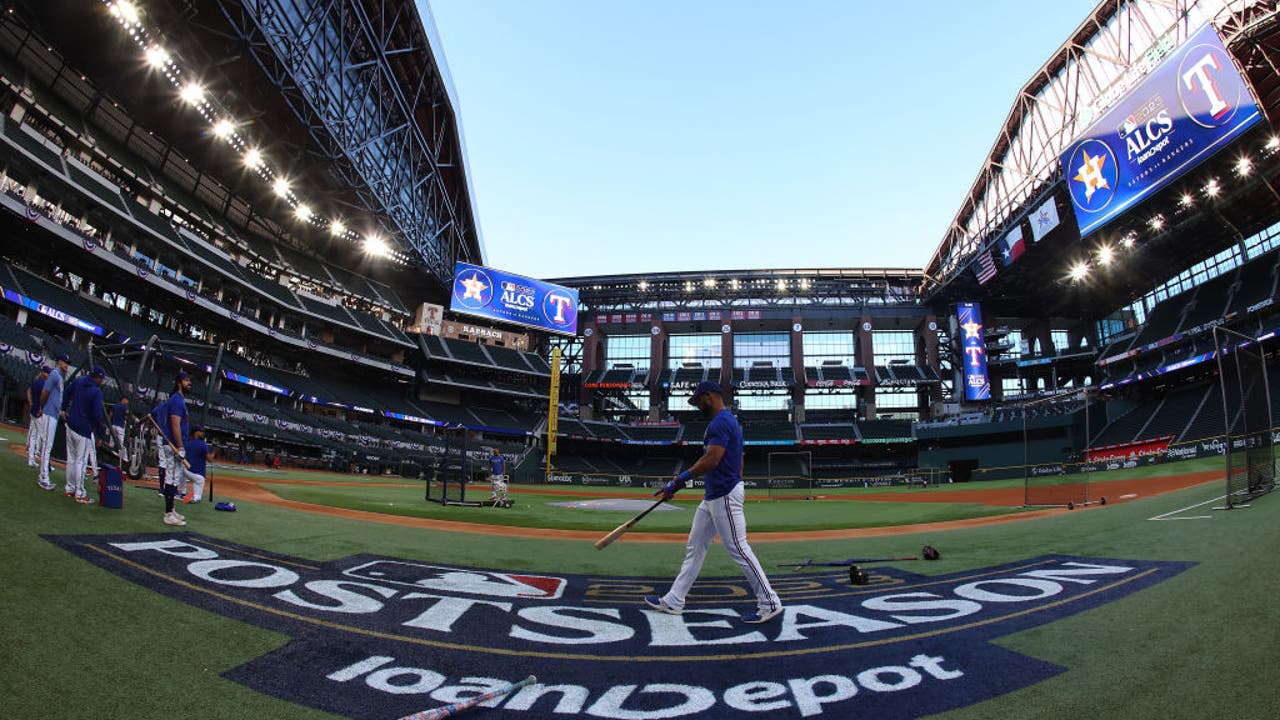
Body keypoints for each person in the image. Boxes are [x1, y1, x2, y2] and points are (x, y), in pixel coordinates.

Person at [644, 381, 782, 624]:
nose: (697, 406)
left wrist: (679, 480)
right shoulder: (727, 422)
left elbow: (712, 459)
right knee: (695, 548)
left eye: (698, 401)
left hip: (724, 495)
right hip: (714, 496)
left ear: (708, 396)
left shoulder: (720, 422)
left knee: (739, 549)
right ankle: (675, 599)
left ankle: (770, 602)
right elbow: (738, 459)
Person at [62, 366, 106, 503]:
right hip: (83, 428)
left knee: (71, 459)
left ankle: (69, 489)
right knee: (80, 461)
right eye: (102, 378)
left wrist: (63, 408)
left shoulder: (79, 381)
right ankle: (80, 493)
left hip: (70, 424)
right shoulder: (96, 391)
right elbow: (97, 415)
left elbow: (67, 392)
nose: (102, 381)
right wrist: (100, 434)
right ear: (97, 377)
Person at [152, 371, 191, 526]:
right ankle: (168, 514)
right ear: (180, 382)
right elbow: (175, 425)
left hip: (174, 445)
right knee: (171, 479)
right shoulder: (176, 400)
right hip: (173, 446)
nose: (190, 383)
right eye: (187, 380)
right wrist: (180, 446)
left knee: (174, 479)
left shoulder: (178, 400)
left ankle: (172, 510)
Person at [35, 354, 68, 491]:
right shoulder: (54, 374)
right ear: (59, 362)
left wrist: (59, 410)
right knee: (46, 446)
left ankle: (43, 476)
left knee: (47, 446)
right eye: (65, 362)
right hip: (48, 414)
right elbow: (45, 392)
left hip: (53, 413)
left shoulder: (59, 377)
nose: (67, 365)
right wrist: (41, 407)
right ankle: (43, 477)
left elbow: (55, 396)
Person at [25, 366, 48, 467]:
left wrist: (30, 402)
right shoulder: (42, 383)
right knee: (43, 437)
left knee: (34, 436)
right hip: (38, 413)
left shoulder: (36, 381)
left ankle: (31, 459)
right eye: (46, 373)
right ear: (43, 373)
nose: (47, 375)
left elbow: (28, 391)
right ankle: (45, 464)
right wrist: (40, 408)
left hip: (33, 410)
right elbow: (42, 397)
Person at [182, 425, 211, 504]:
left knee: (181, 469)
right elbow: (210, 460)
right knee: (199, 483)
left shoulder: (187, 443)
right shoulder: (203, 444)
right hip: (198, 475)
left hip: (186, 471)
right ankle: (195, 497)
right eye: (201, 431)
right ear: (196, 433)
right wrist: (214, 454)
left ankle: (182, 492)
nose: (202, 433)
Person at [109, 395, 129, 465]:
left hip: (113, 425)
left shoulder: (115, 406)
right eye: (126, 400)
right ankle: (125, 459)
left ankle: (109, 456)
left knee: (111, 443)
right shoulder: (124, 406)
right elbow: (127, 414)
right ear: (123, 399)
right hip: (120, 427)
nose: (127, 401)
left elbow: (110, 415)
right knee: (122, 443)